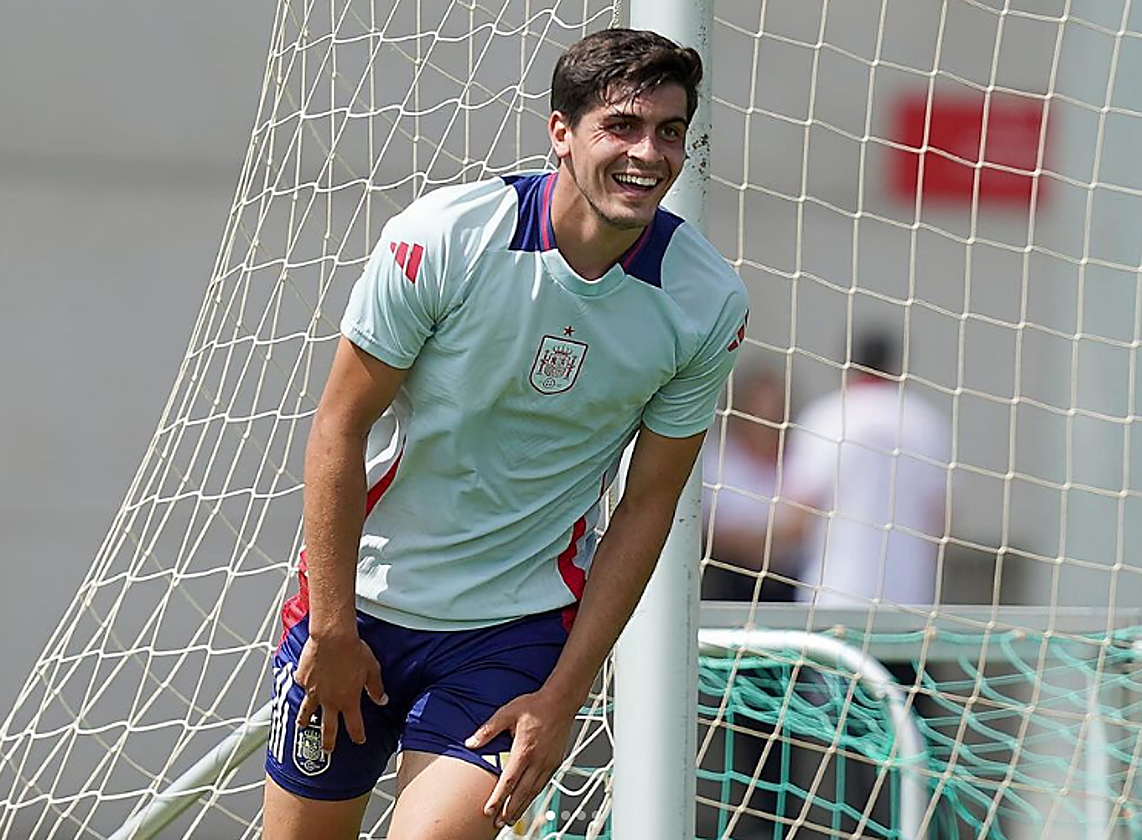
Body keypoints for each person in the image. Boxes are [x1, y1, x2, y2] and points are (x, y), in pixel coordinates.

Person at [262, 28, 750, 840]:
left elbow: (647, 505)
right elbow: (340, 426)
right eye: (622, 127)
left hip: (512, 632)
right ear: (561, 132)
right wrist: (333, 627)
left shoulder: (705, 301)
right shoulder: (445, 237)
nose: (649, 153)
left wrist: (563, 698)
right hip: (365, 610)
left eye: (670, 131)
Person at [783, 329, 950, 608]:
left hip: (834, 590)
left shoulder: (827, 416)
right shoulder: (925, 421)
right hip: (907, 596)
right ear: (896, 366)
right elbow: (942, 520)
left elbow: (798, 513)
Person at [701, 366, 800, 603]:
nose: (767, 422)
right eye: (759, 413)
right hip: (729, 584)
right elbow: (712, 532)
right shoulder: (717, 463)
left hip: (789, 584)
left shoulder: (798, 461)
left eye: (775, 414)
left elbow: (804, 527)